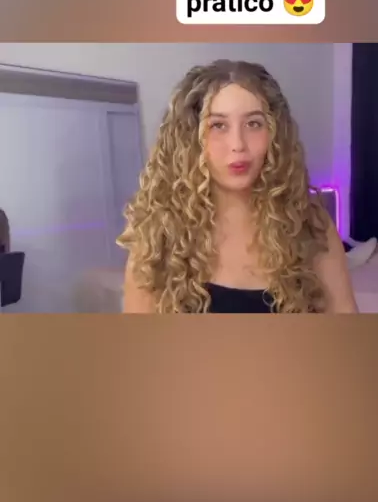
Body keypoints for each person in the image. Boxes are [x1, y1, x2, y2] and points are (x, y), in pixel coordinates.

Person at [118, 60, 358, 313]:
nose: (238, 144)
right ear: (190, 138)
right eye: (218, 125)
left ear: (275, 134)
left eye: (253, 124)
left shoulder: (310, 225)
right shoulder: (157, 233)